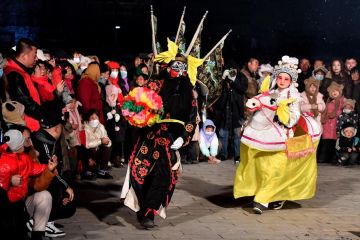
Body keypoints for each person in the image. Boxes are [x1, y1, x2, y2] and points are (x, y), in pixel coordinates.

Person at [120, 39, 197, 228]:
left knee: (165, 177)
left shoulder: (189, 91)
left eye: (183, 68)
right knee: (144, 174)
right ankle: (143, 209)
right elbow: (138, 104)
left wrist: (183, 137)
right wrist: (142, 117)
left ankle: (149, 212)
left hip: (171, 140)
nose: (180, 72)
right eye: (176, 67)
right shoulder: (155, 85)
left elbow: (191, 117)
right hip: (150, 136)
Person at [234, 56, 319, 214]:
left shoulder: (293, 97)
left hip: (284, 137)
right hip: (266, 135)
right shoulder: (270, 92)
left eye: (286, 79)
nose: (282, 81)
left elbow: (293, 118)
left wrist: (283, 115)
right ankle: (264, 192)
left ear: (291, 81)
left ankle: (262, 200)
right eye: (279, 77)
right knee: (262, 167)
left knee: (275, 170)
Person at [0, 129, 57, 240]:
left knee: (44, 196)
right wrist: (9, 181)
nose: (28, 143)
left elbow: (36, 168)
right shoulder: (3, 160)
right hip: (5, 209)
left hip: (21, 205)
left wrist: (49, 168)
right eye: (24, 140)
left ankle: (37, 236)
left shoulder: (25, 158)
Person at [5, 38, 44, 132]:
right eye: (34, 55)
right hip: (26, 127)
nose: (36, 58)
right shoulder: (14, 73)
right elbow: (25, 103)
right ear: (24, 56)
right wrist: (45, 115)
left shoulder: (21, 71)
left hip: (30, 123)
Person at [214, 61, 248, 163]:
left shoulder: (242, 77)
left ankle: (237, 155)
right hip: (224, 109)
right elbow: (216, 90)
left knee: (237, 134)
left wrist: (234, 80)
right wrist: (223, 79)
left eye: (234, 69)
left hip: (237, 110)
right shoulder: (223, 78)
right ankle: (223, 154)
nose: (232, 71)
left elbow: (243, 88)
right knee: (223, 133)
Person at [318, 82, 345, 163]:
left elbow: (343, 111)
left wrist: (334, 114)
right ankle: (324, 157)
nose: (334, 92)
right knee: (326, 143)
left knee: (334, 143)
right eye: (333, 91)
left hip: (336, 125)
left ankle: (333, 158)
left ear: (340, 92)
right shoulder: (328, 101)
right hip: (327, 125)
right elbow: (324, 111)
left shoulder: (342, 101)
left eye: (336, 90)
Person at [82, 109, 113, 179]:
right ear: (88, 118)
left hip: (98, 151)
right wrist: (100, 141)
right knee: (91, 149)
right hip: (88, 152)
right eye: (92, 118)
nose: (94, 120)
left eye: (96, 118)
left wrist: (107, 142)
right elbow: (87, 144)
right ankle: (88, 171)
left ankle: (102, 171)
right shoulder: (84, 127)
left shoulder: (101, 126)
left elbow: (108, 140)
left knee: (107, 148)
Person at [104, 85, 126, 168]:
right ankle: (109, 159)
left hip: (118, 128)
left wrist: (119, 117)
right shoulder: (106, 104)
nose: (112, 97)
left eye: (114, 95)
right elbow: (106, 114)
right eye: (111, 95)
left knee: (118, 143)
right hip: (109, 128)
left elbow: (122, 113)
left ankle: (118, 159)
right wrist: (109, 114)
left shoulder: (117, 105)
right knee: (111, 142)